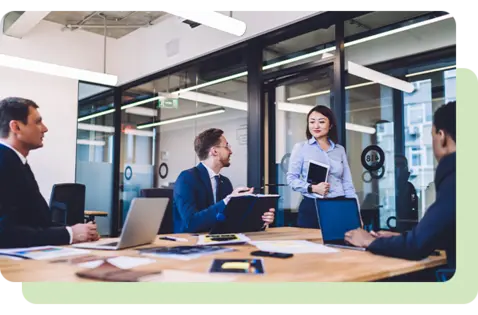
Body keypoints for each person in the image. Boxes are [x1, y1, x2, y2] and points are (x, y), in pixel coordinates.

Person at [344, 101, 456, 272]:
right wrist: (405, 237)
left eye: (432, 135)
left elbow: (416, 246)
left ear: (441, 137)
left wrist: (370, 241)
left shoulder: (455, 179)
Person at [0, 97, 99, 248]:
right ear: (16, 127)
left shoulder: (17, 161)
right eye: (37, 122)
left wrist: (79, 232)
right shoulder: (4, 163)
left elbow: (36, 222)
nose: (44, 128)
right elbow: (5, 233)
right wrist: (70, 234)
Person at [173, 128, 275, 233]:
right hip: (191, 244)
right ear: (214, 151)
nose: (230, 151)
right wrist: (227, 201)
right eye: (226, 146)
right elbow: (191, 223)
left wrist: (260, 221)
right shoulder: (187, 178)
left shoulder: (225, 182)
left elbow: (231, 223)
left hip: (220, 242)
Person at [287, 105, 358, 228]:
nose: (316, 126)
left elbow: (348, 185)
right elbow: (291, 179)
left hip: (338, 205)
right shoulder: (301, 148)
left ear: (330, 125)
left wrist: (356, 215)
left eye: (321, 122)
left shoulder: (339, 150)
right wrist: (312, 188)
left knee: (338, 244)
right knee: (311, 246)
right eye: (312, 122)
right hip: (312, 206)